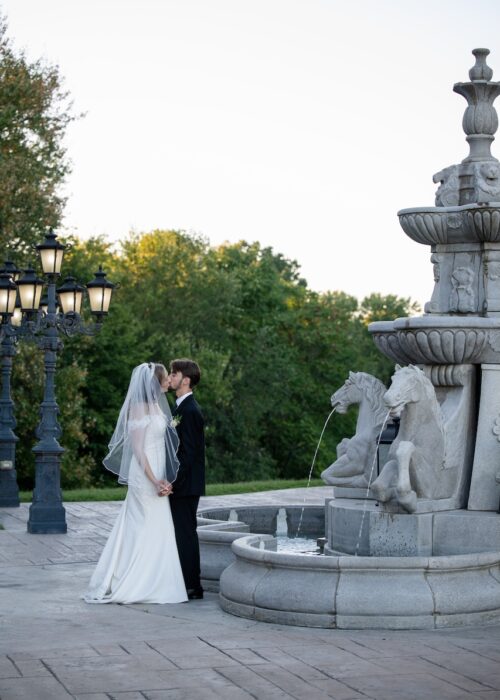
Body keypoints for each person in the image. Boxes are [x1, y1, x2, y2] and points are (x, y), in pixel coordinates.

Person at [84, 362, 187, 604]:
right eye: (164, 377)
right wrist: (155, 480)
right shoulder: (139, 408)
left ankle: (158, 580)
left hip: (159, 471)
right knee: (140, 523)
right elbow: (139, 451)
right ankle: (128, 579)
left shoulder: (159, 407)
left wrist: (166, 479)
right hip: (145, 474)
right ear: (155, 381)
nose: (168, 381)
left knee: (159, 524)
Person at [165, 358, 205, 600]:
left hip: (185, 485)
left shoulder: (190, 411)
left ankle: (192, 585)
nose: (170, 377)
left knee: (186, 534)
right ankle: (184, 581)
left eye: (174, 373)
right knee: (181, 533)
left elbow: (188, 454)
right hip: (181, 484)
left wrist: (173, 483)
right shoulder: (180, 408)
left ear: (186, 380)